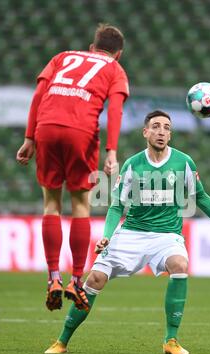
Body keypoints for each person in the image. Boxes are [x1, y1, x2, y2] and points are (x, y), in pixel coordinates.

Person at [45, 110, 210, 354]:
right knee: (95, 279)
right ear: (146, 132)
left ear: (170, 135)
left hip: (167, 235)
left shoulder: (183, 162)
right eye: (156, 126)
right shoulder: (133, 164)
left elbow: (201, 196)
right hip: (132, 232)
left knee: (180, 264)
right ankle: (62, 341)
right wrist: (108, 235)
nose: (161, 131)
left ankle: (171, 340)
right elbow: (117, 205)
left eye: (166, 127)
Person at [16, 24, 129, 312]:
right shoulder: (115, 70)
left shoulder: (62, 57)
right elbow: (115, 110)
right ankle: (75, 280)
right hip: (81, 131)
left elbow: (38, 95)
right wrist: (111, 151)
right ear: (118, 54)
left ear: (92, 47)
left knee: (50, 204)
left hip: (46, 127)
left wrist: (30, 137)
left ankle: (53, 277)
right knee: (81, 205)